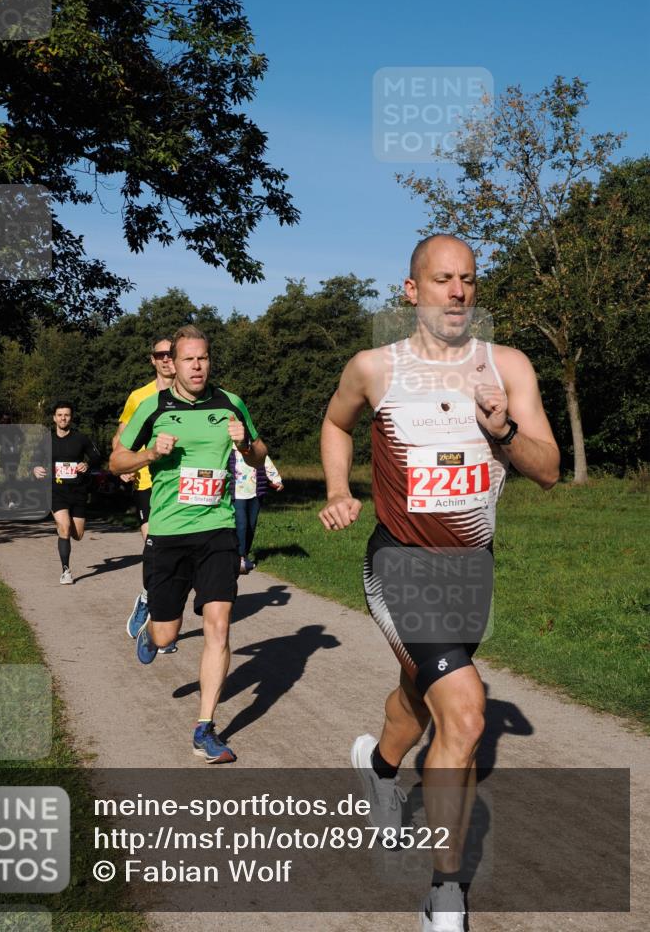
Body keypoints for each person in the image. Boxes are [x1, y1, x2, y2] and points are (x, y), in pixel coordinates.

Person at [319, 234, 559, 932]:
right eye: (442, 279)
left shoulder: (507, 366)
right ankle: (444, 895)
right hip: (400, 563)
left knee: (419, 691)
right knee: (466, 710)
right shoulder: (374, 367)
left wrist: (503, 426)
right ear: (411, 290)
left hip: (470, 571)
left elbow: (545, 468)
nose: (457, 292)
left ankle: (382, 770)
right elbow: (335, 424)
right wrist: (337, 486)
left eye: (468, 281)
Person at [109, 325, 268, 764]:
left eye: (203, 358)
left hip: (217, 530)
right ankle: (152, 630)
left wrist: (247, 445)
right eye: (188, 360)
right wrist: (149, 455)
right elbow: (116, 459)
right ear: (172, 365)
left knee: (219, 624)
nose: (197, 367)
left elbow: (258, 452)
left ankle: (204, 728)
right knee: (168, 633)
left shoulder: (230, 403)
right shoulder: (153, 406)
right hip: (169, 534)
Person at [113, 337, 176, 642]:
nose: (166, 359)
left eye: (170, 353)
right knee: (155, 544)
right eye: (160, 355)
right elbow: (122, 436)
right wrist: (125, 466)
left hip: (182, 484)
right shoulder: (139, 397)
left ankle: (156, 603)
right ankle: (151, 604)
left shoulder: (196, 393)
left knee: (179, 554)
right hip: (149, 481)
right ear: (152, 359)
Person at [33, 401, 101, 585]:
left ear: (71, 418)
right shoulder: (46, 440)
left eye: (67, 415)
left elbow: (96, 456)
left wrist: (87, 464)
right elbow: (35, 459)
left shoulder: (81, 439)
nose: (63, 418)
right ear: (54, 418)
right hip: (56, 491)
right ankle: (66, 570)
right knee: (63, 526)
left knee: (77, 535)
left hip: (78, 491)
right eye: (60, 415)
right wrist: (35, 468)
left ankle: (66, 531)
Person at [228, 446, 283, 573]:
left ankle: (245, 555)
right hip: (237, 495)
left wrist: (276, 480)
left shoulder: (255, 450)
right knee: (241, 524)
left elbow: (267, 463)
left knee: (251, 526)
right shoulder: (228, 451)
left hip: (255, 493)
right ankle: (240, 557)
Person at [0, 414, 25, 509]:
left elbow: (23, 438)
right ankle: (10, 500)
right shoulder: (0, 429)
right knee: (9, 477)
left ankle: (11, 498)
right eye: (4, 420)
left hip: (13, 455)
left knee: (11, 477)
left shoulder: (14, 428)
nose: (5, 422)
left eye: (6, 420)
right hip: (5, 455)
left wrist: (16, 444)